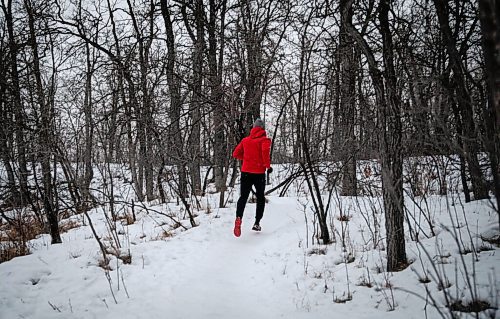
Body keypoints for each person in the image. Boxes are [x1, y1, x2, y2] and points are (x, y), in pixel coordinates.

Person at [232, 118, 272, 237]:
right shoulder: (265, 140)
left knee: (243, 197)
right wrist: (267, 166)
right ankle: (257, 222)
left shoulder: (245, 140)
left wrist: (247, 159)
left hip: (245, 172)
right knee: (260, 197)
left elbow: (235, 154)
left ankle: (238, 218)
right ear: (263, 128)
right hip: (259, 173)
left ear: (253, 128)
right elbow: (265, 153)